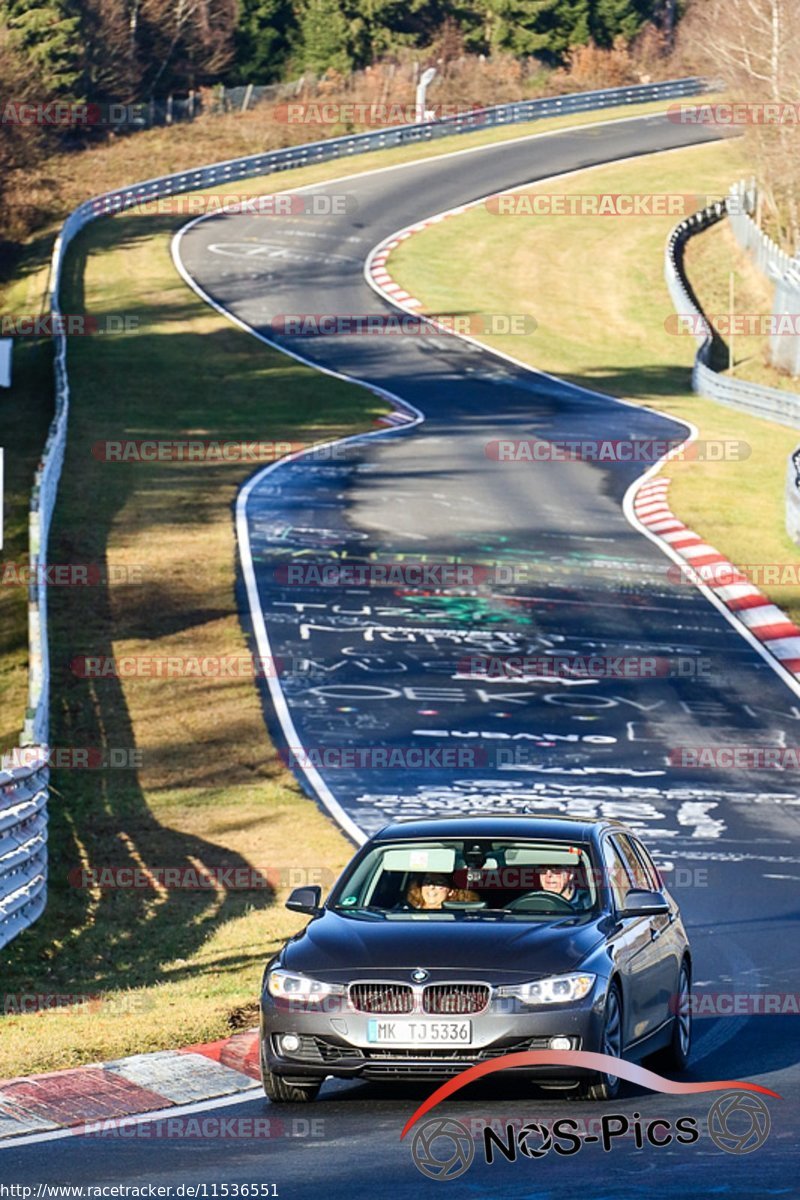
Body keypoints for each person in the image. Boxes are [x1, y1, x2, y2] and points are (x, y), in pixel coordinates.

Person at [405, 873, 480, 910]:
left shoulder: (457, 918)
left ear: (451, 891)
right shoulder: (406, 912)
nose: (431, 886)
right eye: (427, 881)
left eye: (439, 882)